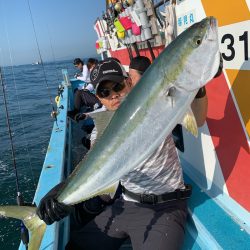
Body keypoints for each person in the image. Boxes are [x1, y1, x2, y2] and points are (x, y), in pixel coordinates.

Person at [37, 56, 223, 249]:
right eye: (104, 91)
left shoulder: (155, 107)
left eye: (117, 86)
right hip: (125, 204)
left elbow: (199, 119)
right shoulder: (100, 131)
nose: (113, 95)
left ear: (128, 82)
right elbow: (91, 167)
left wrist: (198, 84)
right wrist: (61, 192)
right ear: (99, 97)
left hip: (166, 207)